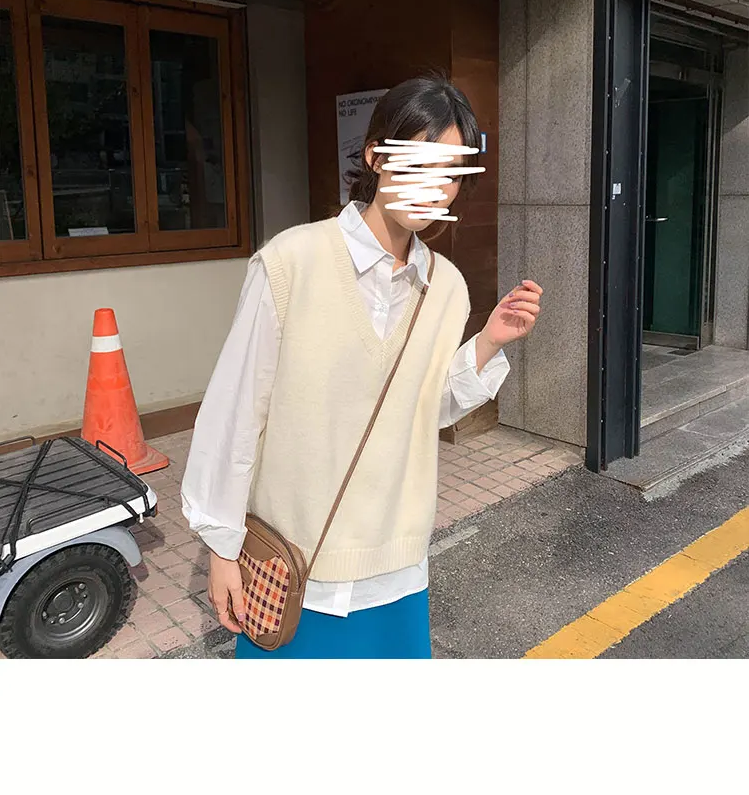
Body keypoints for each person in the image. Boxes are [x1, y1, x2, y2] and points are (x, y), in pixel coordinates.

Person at [181, 73, 543, 659]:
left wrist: (488, 342)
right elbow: (235, 411)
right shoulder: (291, 262)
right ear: (375, 156)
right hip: (294, 566)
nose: (436, 187)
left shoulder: (447, 287)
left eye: (451, 173)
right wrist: (222, 547)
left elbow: (424, 409)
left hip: (397, 567)